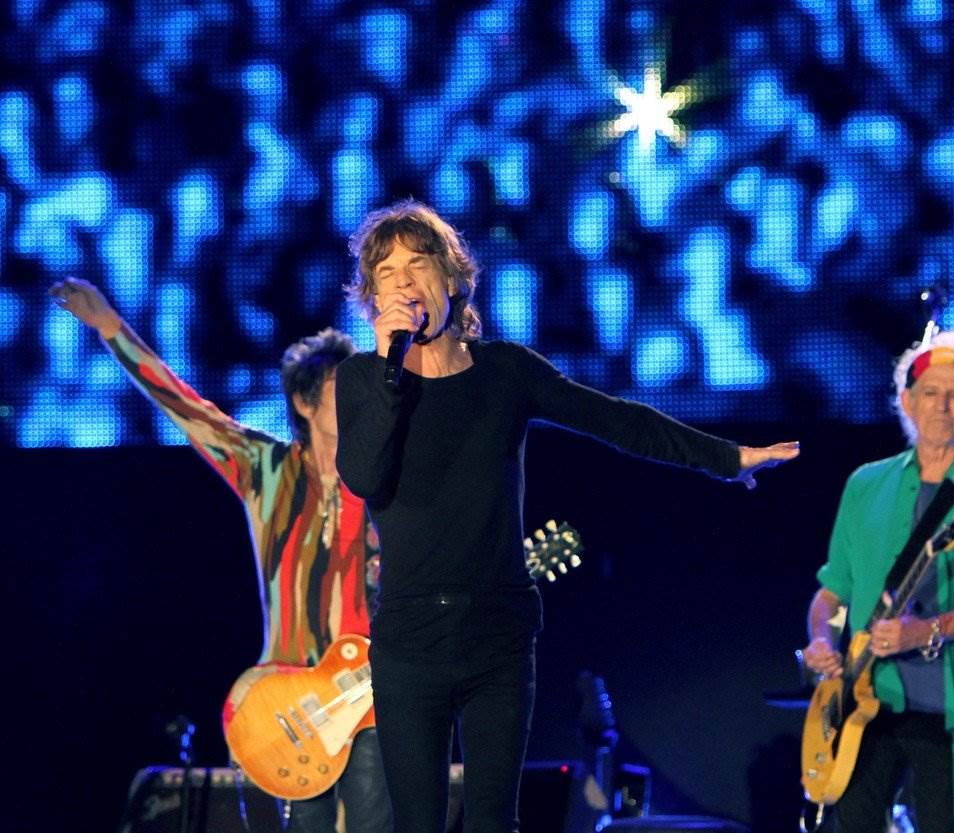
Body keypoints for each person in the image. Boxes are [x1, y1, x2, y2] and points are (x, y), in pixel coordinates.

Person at [333, 198, 800, 833]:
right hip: (410, 644)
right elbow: (362, 477)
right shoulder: (363, 379)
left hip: (498, 637)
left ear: (451, 276)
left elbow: (615, 419)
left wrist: (725, 457)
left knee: (495, 823)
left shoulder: (505, 372)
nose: (404, 283)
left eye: (418, 264)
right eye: (387, 273)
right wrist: (392, 370)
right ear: (372, 296)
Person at [50, 277, 391, 833]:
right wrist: (111, 329)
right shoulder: (265, 469)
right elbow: (188, 409)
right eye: (338, 388)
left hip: (370, 699)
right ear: (304, 402)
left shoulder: (379, 484)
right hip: (292, 701)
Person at [801, 332, 954, 833]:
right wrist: (821, 640)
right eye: (930, 392)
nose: (942, 406)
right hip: (865, 696)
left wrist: (926, 632)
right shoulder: (866, 483)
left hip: (948, 700)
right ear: (907, 402)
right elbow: (833, 591)